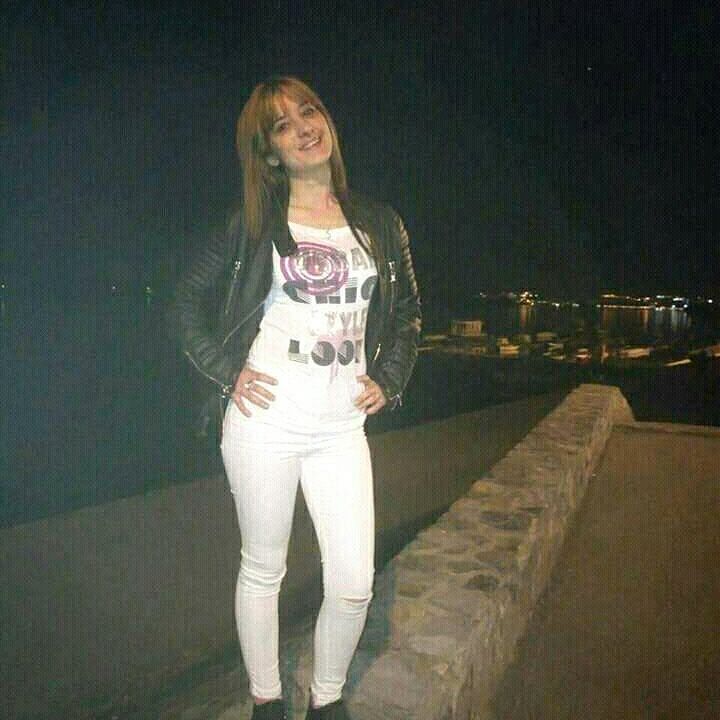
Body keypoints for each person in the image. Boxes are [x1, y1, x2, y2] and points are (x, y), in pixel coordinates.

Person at [174, 75, 421, 720]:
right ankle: (267, 698)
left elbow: (408, 315)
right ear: (270, 154)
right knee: (264, 569)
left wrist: (389, 379)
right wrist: (227, 373)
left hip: (341, 427)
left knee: (354, 583)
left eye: (309, 111)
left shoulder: (379, 222)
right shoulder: (254, 225)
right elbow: (186, 306)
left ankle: (327, 698)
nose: (304, 127)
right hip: (265, 423)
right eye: (283, 125)